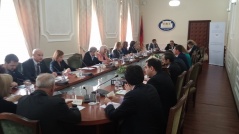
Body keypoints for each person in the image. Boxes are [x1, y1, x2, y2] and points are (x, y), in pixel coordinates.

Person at [104, 65, 166, 134]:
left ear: (127, 80)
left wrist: (109, 103)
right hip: (157, 128)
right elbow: (137, 102)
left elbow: (113, 115)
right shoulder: (150, 87)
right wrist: (126, 95)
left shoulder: (132, 95)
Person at [17, 73, 81, 134]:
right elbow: (76, 118)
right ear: (52, 88)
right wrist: (74, 107)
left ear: (35, 86)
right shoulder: (56, 102)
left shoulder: (22, 100)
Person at [144, 58, 177, 123]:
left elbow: (146, 100)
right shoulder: (165, 74)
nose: (145, 70)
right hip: (171, 107)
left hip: (163, 115)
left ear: (152, 68)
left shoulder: (154, 81)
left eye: (146, 67)